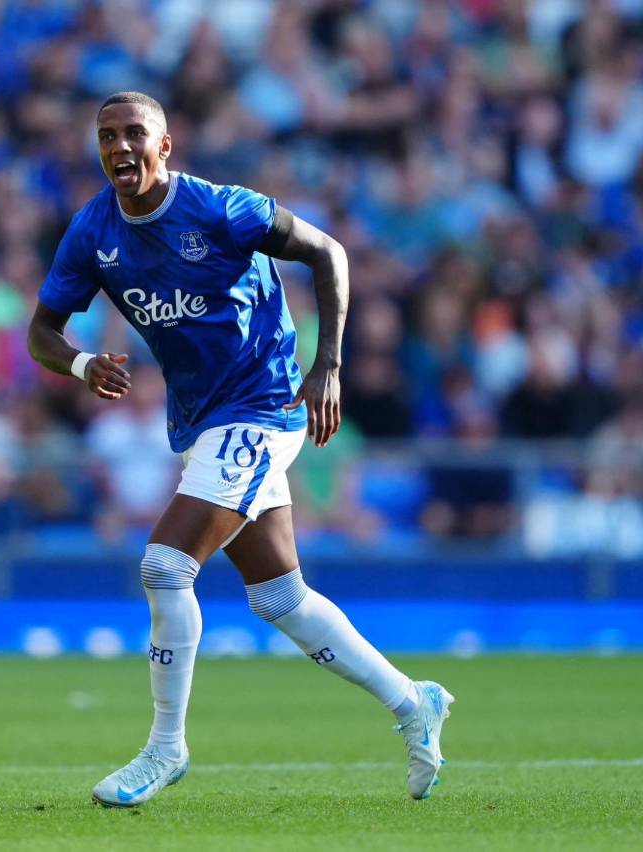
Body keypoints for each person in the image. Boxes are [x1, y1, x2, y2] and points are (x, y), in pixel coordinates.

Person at [27, 92, 452, 807]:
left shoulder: (222, 209)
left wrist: (329, 365)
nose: (120, 147)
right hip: (203, 417)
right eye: (107, 136)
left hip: (264, 404)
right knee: (282, 598)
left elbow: (328, 253)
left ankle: (165, 747)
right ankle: (415, 703)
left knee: (165, 566)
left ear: (166, 144)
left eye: (135, 133)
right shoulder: (92, 231)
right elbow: (41, 330)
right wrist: (78, 364)